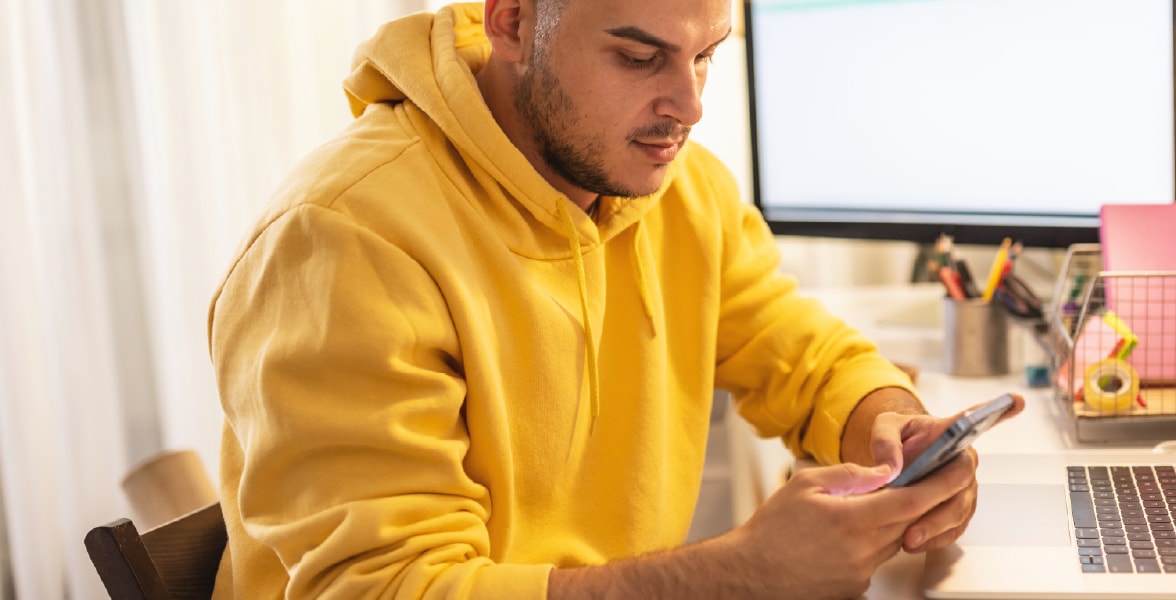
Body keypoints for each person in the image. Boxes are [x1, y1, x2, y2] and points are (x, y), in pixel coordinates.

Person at [208, 0, 1022, 597]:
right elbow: (389, 590)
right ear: (514, 21)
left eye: (706, 55)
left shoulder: (677, 186)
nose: (690, 107)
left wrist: (891, 426)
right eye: (640, 58)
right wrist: (739, 574)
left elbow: (800, 352)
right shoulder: (344, 237)